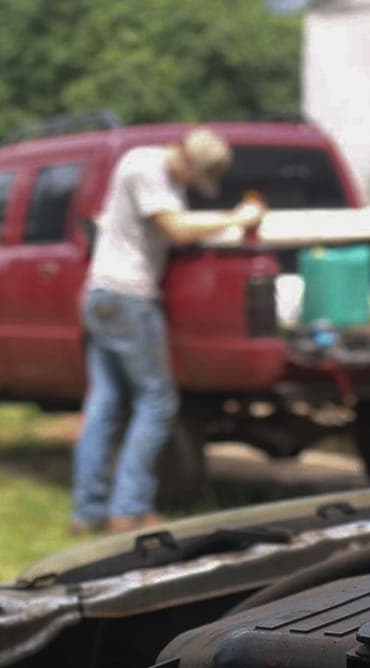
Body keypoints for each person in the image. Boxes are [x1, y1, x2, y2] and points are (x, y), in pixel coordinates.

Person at [72, 127, 265, 535]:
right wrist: (236, 218)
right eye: (198, 177)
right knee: (157, 401)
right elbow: (176, 230)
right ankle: (130, 509)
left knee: (105, 404)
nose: (196, 186)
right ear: (187, 161)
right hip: (129, 298)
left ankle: (87, 512)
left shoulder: (149, 171)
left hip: (101, 294)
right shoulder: (147, 168)